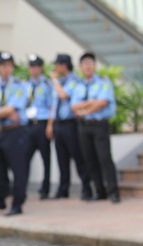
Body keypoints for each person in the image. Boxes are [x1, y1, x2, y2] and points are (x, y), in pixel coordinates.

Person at [0, 52, 30, 216]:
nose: (7, 69)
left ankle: (17, 204)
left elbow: (12, 109)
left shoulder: (18, 85)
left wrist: (1, 112)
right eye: (3, 65)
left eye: (9, 65)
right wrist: (3, 112)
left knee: (18, 169)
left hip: (14, 131)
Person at [71, 52, 120, 203]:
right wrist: (91, 102)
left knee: (105, 158)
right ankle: (100, 191)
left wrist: (85, 109)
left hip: (99, 125)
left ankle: (113, 191)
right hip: (84, 126)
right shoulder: (78, 85)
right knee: (89, 159)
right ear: (80, 67)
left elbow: (102, 102)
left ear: (94, 65)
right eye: (84, 64)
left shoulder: (103, 82)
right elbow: (74, 106)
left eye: (90, 63)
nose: (88, 66)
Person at [46, 54, 92, 200]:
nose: (55, 68)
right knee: (61, 158)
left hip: (70, 124)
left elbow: (63, 96)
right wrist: (50, 124)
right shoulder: (59, 82)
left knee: (77, 157)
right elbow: (54, 104)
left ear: (64, 65)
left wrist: (54, 80)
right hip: (58, 124)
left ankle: (86, 188)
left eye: (57, 65)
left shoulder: (74, 81)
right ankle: (63, 189)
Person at [24, 54, 53, 200]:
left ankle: (45, 189)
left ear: (41, 68)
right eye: (31, 66)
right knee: (24, 158)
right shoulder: (26, 85)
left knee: (45, 159)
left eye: (35, 66)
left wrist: (49, 125)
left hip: (41, 124)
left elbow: (51, 106)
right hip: (29, 125)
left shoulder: (47, 85)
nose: (33, 69)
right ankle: (22, 187)